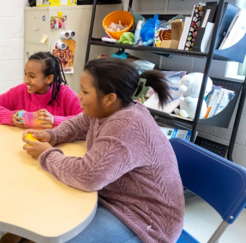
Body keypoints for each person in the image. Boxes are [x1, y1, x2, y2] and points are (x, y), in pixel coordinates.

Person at [13, 57, 185, 243]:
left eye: (85, 91)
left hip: (144, 221)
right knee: (47, 217)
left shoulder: (126, 124)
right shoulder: (106, 110)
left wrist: (46, 154)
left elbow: (88, 176)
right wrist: (52, 136)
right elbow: (79, 125)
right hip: (113, 198)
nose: (78, 96)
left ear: (110, 98)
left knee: (58, 236)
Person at [0, 52, 81, 129]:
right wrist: (10, 116)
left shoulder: (65, 94)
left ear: (49, 79)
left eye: (32, 76)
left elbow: (88, 120)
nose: (26, 80)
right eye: (25, 74)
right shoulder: (21, 91)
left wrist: (54, 120)